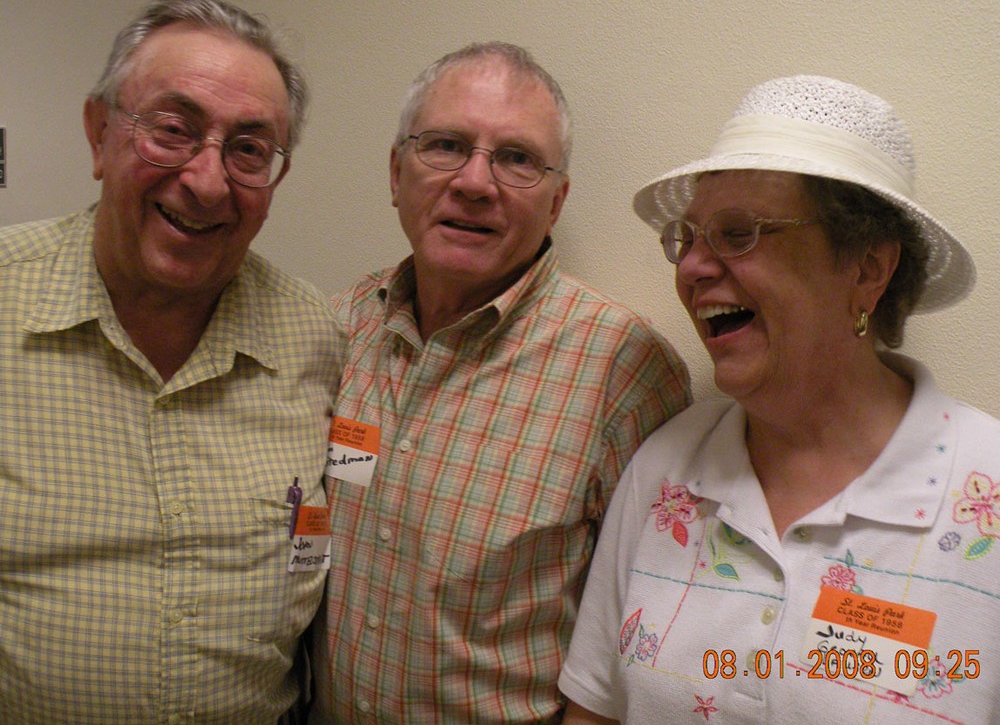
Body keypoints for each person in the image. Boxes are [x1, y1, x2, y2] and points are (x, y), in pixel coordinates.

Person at [559, 74, 1000, 724]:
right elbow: (593, 711)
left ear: (868, 268)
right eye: (688, 238)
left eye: (739, 233)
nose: (692, 267)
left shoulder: (985, 490)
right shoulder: (666, 469)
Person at [309, 42, 691, 723]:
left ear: (556, 201)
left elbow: (641, 637)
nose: (475, 182)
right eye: (446, 145)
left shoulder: (623, 370)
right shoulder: (341, 327)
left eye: (516, 159)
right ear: (396, 173)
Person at [0, 0, 342, 724]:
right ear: (99, 134)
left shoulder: (316, 337)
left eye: (248, 150)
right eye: (173, 130)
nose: (207, 181)